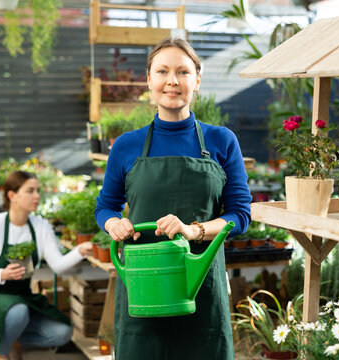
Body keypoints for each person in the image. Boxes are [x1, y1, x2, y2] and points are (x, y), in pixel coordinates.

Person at [95, 37, 252, 360]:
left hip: (200, 284)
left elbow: (240, 214)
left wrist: (194, 230)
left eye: (182, 72)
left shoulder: (222, 141)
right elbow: (105, 206)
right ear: (149, 80)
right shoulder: (126, 145)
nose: (172, 81)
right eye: (162, 71)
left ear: (197, 80)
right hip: (142, 284)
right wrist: (114, 224)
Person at [0, 171, 93, 360]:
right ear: (12, 195)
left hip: (22, 297)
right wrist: (2, 274)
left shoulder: (41, 227)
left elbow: (57, 265)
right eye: (30, 191)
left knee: (62, 332)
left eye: (37, 190)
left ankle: (10, 338)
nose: (37, 196)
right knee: (18, 312)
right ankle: (2, 355)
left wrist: (79, 251)